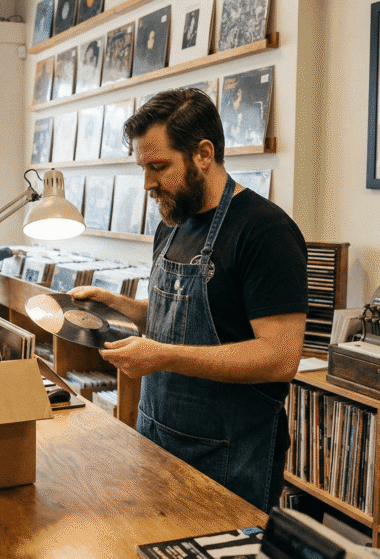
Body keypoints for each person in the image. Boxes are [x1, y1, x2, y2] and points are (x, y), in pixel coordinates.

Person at [70, 88, 308, 512]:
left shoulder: (266, 232)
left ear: (203, 154)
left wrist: (162, 357)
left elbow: (280, 357)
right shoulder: (173, 223)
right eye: (143, 167)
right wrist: (120, 306)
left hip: (228, 456)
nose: (147, 183)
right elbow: (182, 320)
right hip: (156, 435)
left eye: (158, 166)